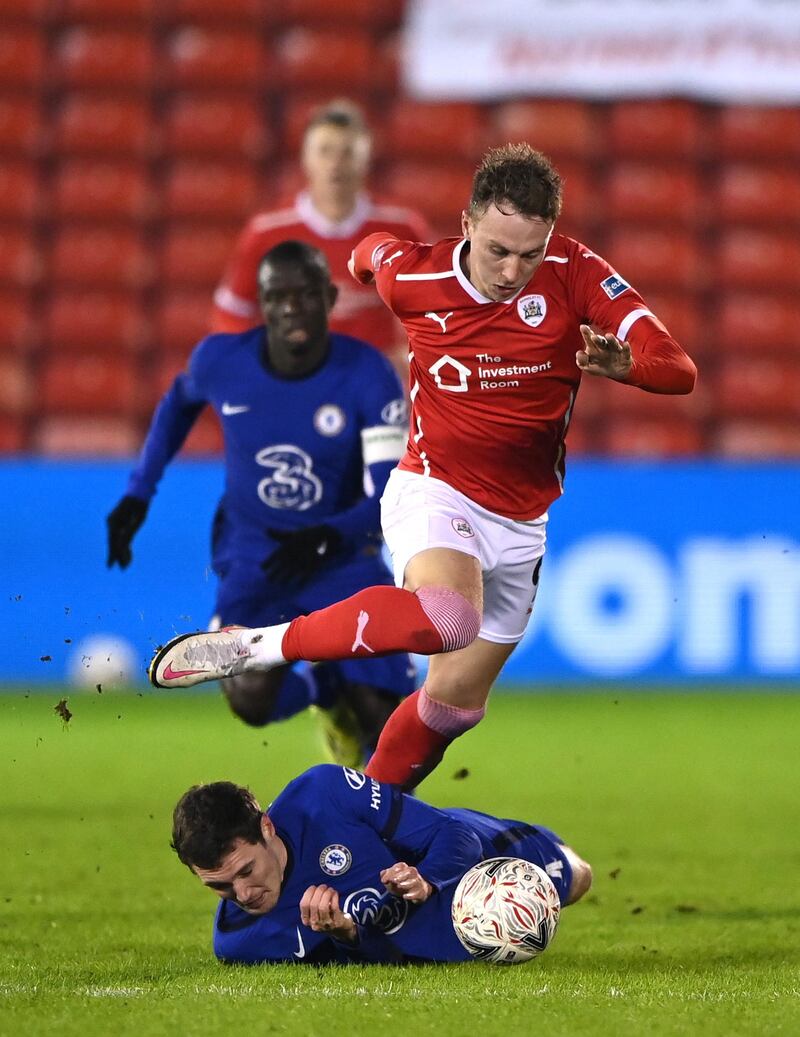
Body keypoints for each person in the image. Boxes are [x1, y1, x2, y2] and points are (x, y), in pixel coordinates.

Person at [150, 143, 697, 788]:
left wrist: (627, 366)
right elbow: (369, 255)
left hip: (522, 520)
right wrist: (358, 267)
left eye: (531, 252)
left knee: (453, 709)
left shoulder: (575, 271)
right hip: (435, 490)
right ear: (467, 225)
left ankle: (366, 822)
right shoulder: (416, 277)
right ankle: (257, 645)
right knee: (448, 619)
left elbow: (679, 370)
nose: (513, 270)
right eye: (498, 250)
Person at [109, 241, 415, 764]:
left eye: (305, 294)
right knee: (249, 700)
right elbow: (177, 406)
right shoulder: (220, 361)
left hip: (341, 557)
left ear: (328, 296)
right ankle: (323, 686)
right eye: (277, 296)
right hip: (254, 556)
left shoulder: (367, 376)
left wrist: (329, 536)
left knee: (386, 720)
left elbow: (391, 493)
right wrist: (139, 492)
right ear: (262, 304)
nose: (291, 307)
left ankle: (357, 756)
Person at [171, 764, 592, 964]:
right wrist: (347, 935)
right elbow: (379, 961)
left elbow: (451, 836)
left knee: (579, 878)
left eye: (245, 871)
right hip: (428, 929)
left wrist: (425, 880)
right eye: (220, 887)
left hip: (465, 857)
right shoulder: (241, 942)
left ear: (266, 828)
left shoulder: (324, 793)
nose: (244, 895)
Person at [211, 98, 431, 373]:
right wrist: (264, 363)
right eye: (325, 151)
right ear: (306, 157)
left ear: (367, 157)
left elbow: (435, 308)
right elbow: (232, 312)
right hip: (299, 385)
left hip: (376, 385)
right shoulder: (268, 232)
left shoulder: (402, 228)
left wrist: (410, 356)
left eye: (348, 152)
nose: (335, 164)